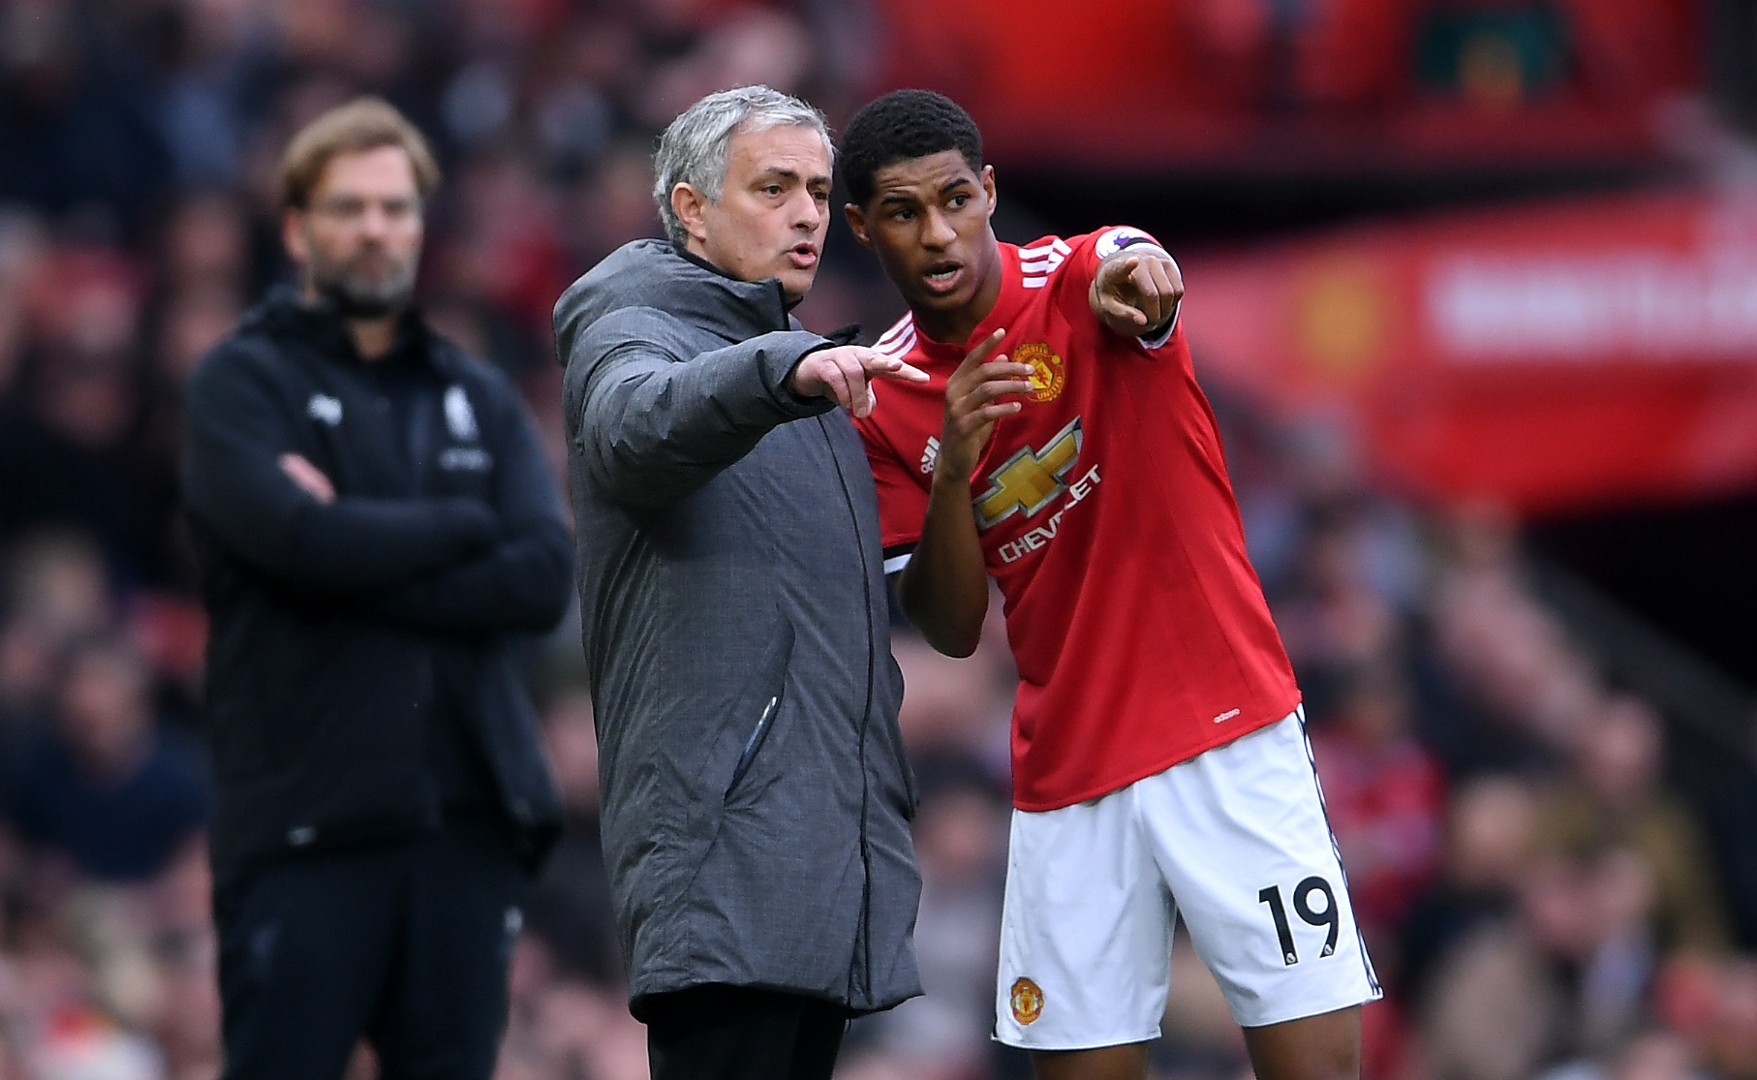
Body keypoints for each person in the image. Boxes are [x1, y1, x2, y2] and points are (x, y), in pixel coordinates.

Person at [840, 88, 1382, 1080]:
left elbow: (1133, 270)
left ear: (988, 190)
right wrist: (953, 467)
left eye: (955, 200)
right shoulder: (883, 402)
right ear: (862, 228)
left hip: (1226, 734)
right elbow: (948, 629)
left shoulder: (1077, 274)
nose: (939, 233)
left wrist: (1147, 285)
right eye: (904, 213)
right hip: (1069, 776)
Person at [180, 97, 572, 1080]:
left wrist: (349, 549)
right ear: (295, 228)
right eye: (347, 207)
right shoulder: (239, 384)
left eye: (395, 208)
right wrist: (463, 524)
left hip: (468, 821)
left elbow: (542, 576)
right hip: (307, 820)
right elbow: (294, 541)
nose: (374, 229)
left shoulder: (475, 390)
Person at [551, 84, 926, 1080]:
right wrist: (777, 372)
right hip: (723, 859)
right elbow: (633, 426)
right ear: (690, 209)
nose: (808, 215)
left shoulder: (810, 376)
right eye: (773, 188)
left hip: (818, 868)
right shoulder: (632, 323)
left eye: (819, 191)